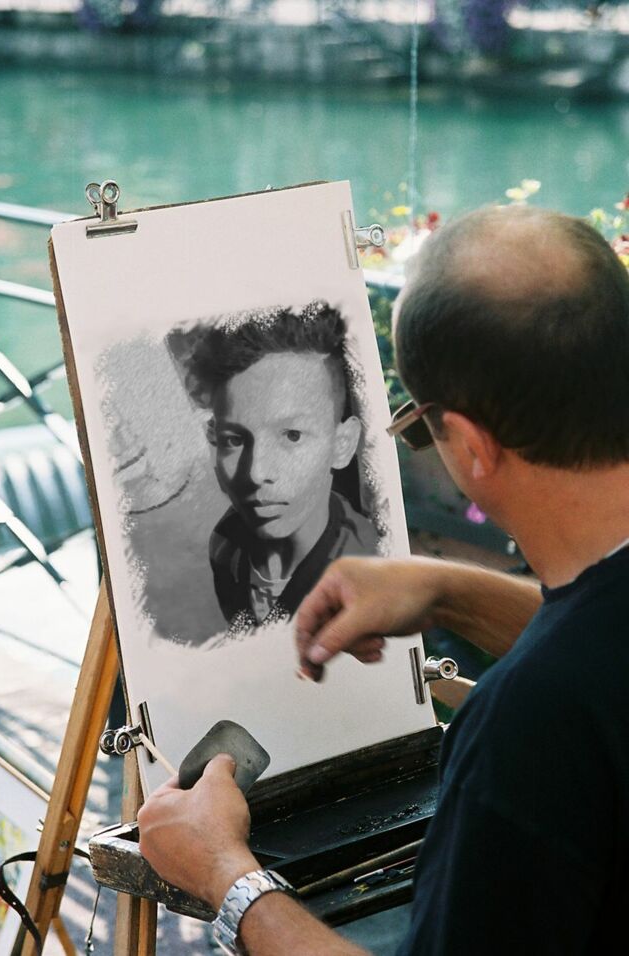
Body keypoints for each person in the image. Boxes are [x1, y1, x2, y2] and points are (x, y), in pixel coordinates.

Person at [138, 204, 629, 955]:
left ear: (469, 445)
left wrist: (227, 877)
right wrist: (448, 590)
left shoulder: (524, 732)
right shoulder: (572, 682)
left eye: (419, 427)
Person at [176, 302, 378, 634]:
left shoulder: (367, 582)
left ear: (342, 445)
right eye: (233, 440)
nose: (255, 473)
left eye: (292, 435)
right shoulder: (226, 541)